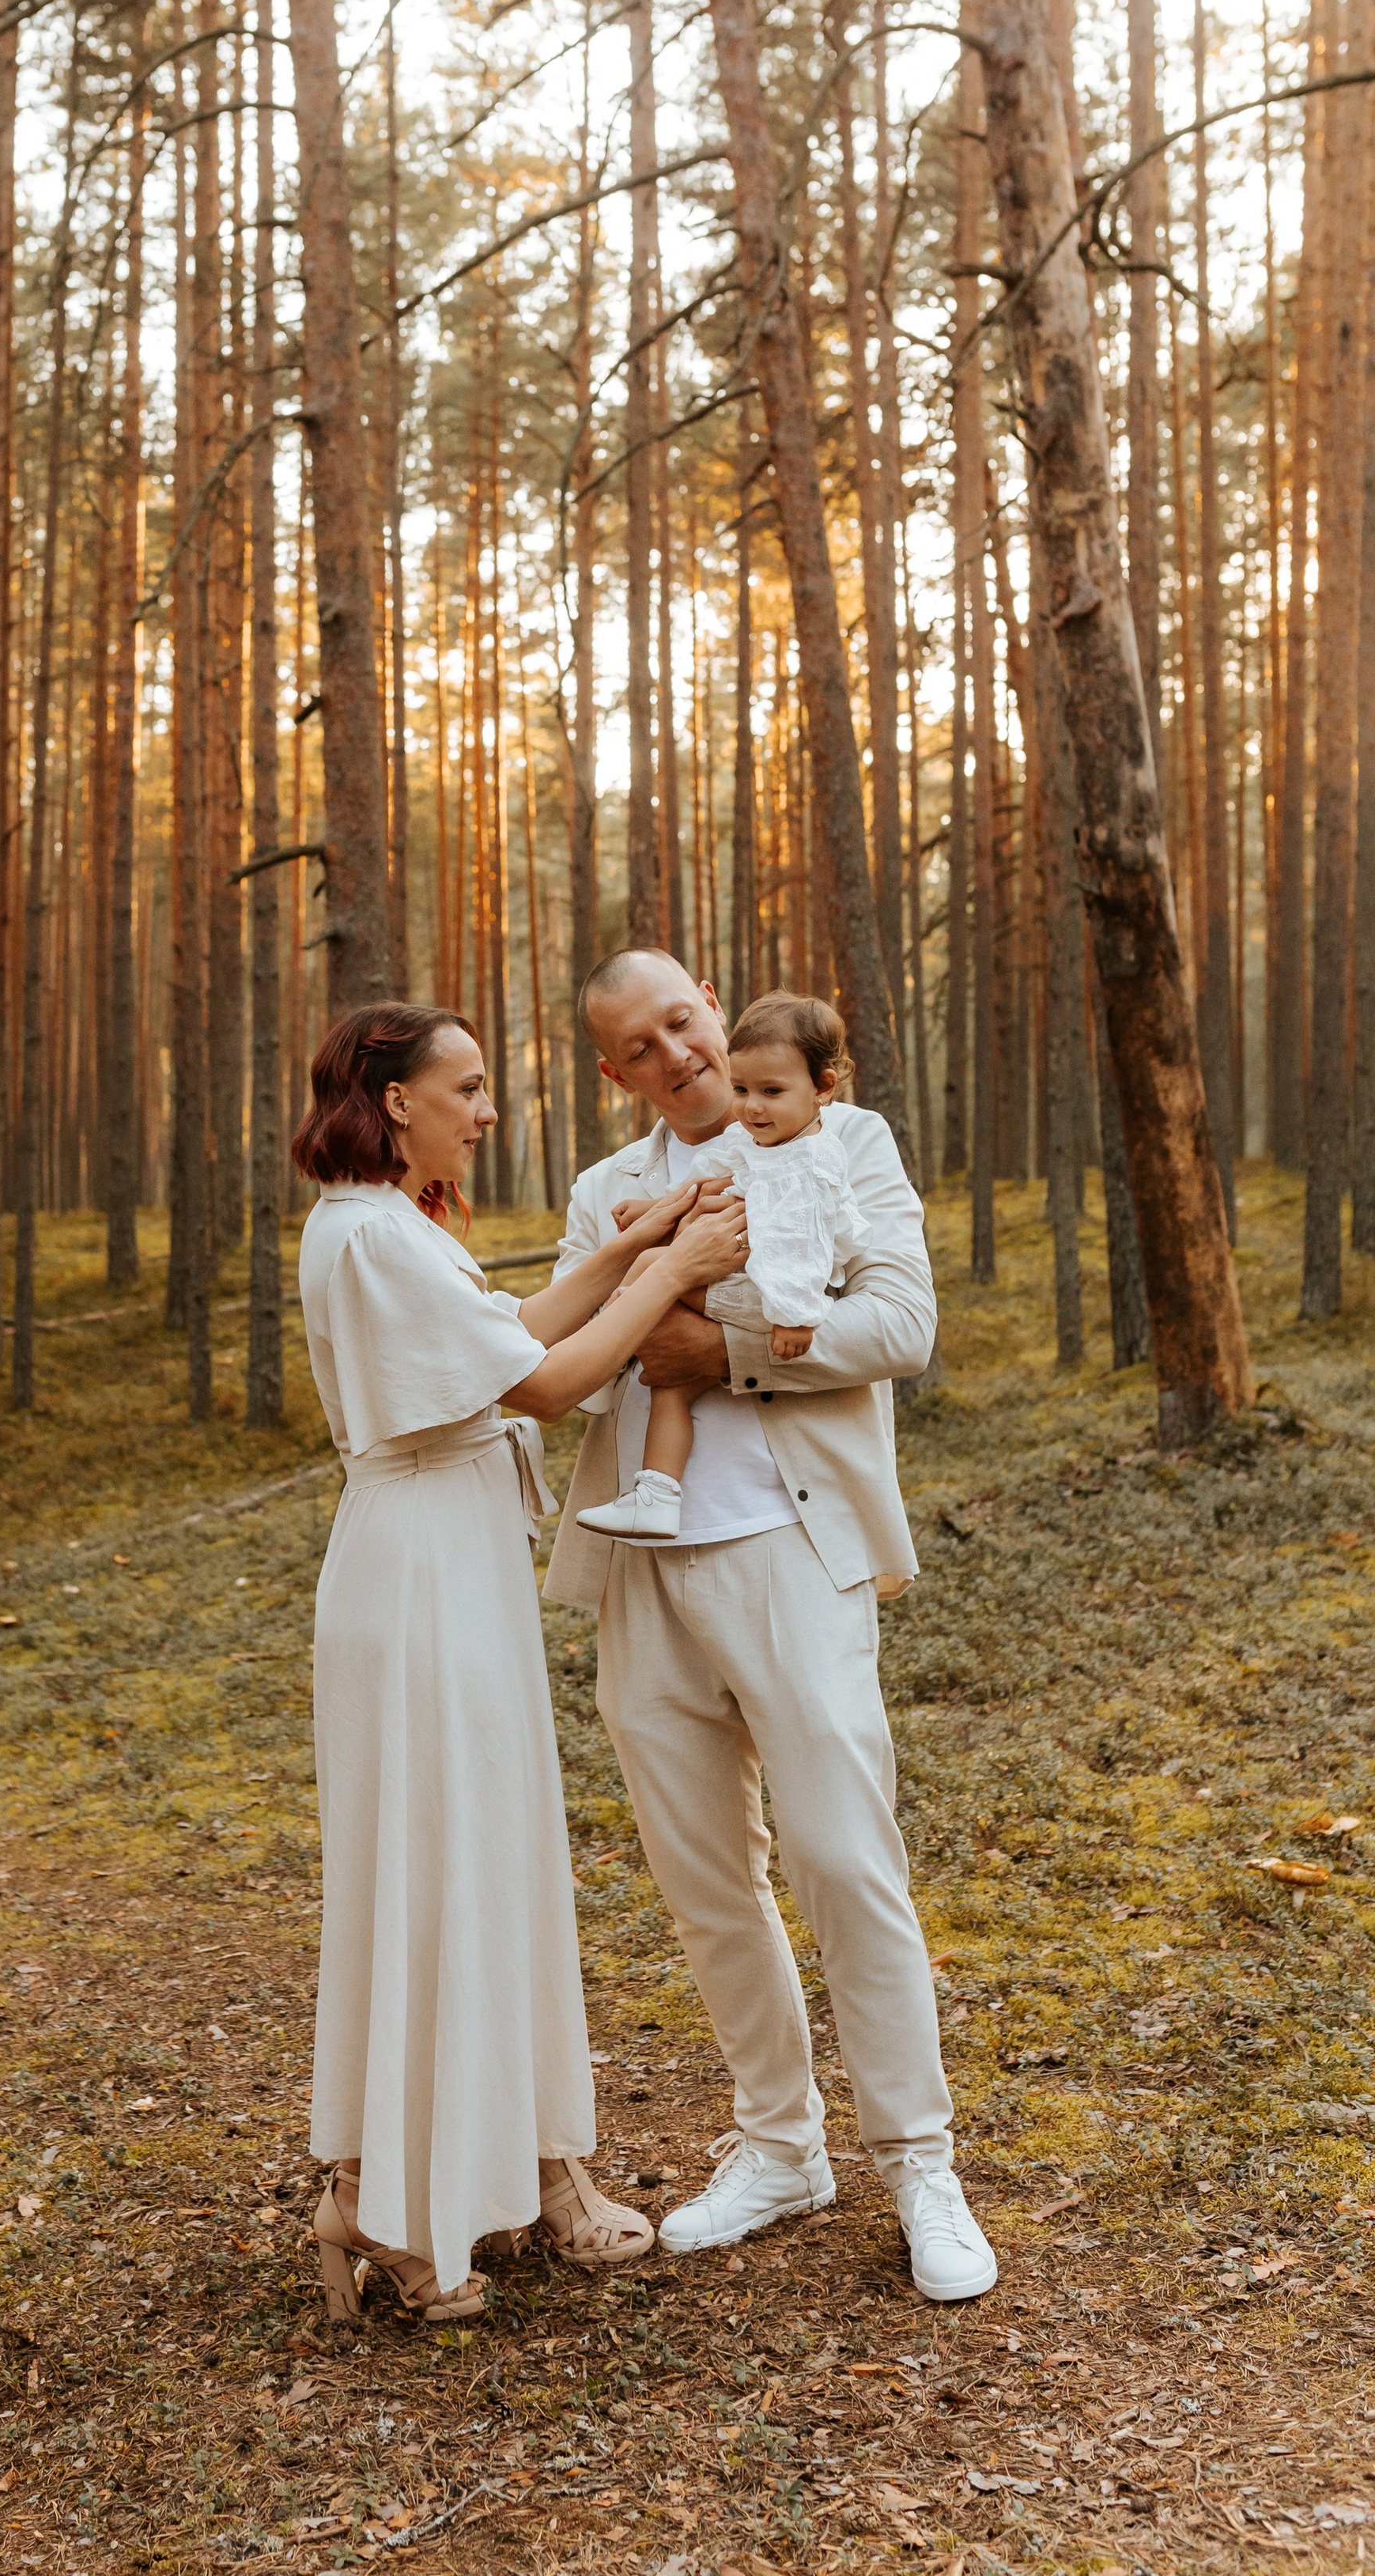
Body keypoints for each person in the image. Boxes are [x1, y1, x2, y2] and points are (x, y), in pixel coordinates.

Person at [543, 949, 998, 2305]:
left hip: (795, 1554)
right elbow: (562, 1368)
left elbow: (903, 1323)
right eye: (641, 1045)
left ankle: (920, 2161)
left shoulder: (844, 1136)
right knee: (704, 1881)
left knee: (847, 1857)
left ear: (707, 1007)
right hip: (645, 1565)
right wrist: (641, 1296)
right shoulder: (603, 1192)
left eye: (684, 1021)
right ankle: (780, 2145)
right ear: (615, 1072)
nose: (676, 1054)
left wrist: (727, 1357)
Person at [294, 999, 750, 2321]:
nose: (487, 1113)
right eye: (470, 1090)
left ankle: (512, 2174)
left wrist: (643, 1240)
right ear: (396, 1105)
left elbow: (519, 1328)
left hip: (452, 1561)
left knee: (488, 1859)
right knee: (436, 1872)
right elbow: (543, 1387)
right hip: (421, 1574)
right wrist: (667, 1277)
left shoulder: (389, 1230)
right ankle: (397, 2206)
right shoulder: (375, 1235)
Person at [577, 993, 866, 1542]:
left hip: (774, 1304)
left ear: (822, 1088)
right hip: (749, 1288)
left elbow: (799, 1248)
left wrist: (792, 1314)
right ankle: (658, 1494)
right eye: (743, 1089)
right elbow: (709, 1185)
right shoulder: (758, 1138)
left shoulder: (810, 1162)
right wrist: (652, 1212)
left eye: (771, 1092)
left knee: (652, 1269)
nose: (752, 1107)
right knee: (673, 1385)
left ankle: (614, 1330)